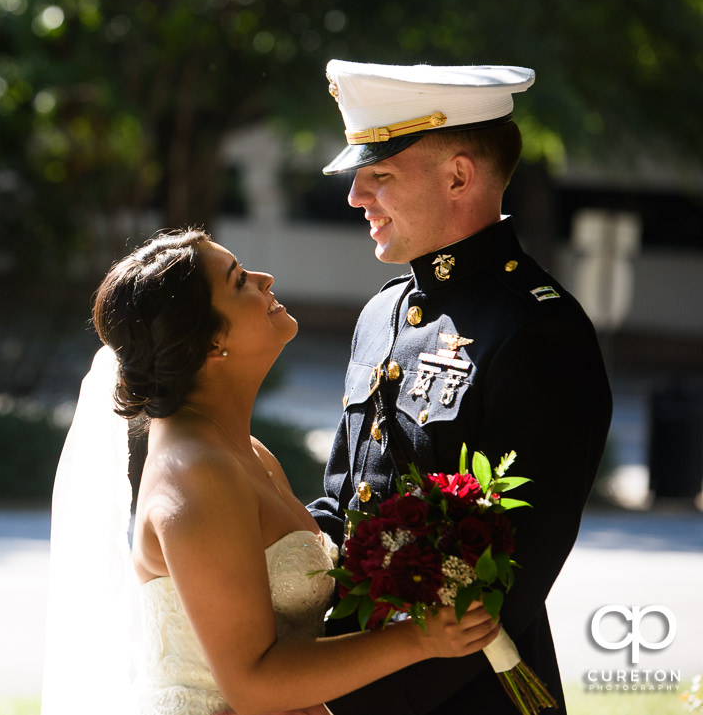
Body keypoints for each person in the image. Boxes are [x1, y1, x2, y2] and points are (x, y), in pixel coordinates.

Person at [42, 228, 501, 715]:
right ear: (212, 337)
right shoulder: (193, 476)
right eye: (240, 280)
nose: (266, 279)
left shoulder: (248, 452)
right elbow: (253, 683)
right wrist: (420, 638)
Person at [307, 60, 613, 714]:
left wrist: (343, 701)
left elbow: (509, 583)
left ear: (458, 175)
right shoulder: (382, 313)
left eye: (380, 175)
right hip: (349, 675)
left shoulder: (537, 331)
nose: (358, 196)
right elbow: (341, 509)